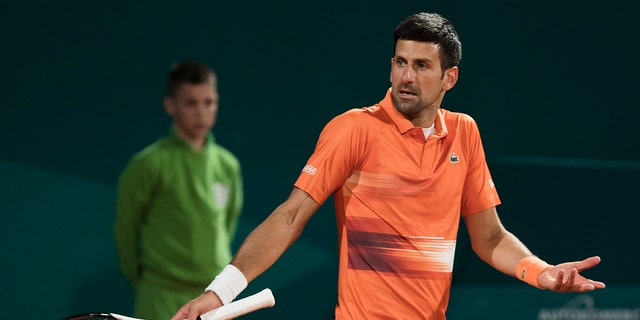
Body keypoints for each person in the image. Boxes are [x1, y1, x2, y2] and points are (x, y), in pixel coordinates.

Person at [172, 13, 605, 320]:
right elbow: (289, 217)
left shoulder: (464, 133)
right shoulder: (354, 129)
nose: (406, 77)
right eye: (400, 62)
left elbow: (489, 237)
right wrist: (221, 291)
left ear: (449, 78)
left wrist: (542, 273)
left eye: (421, 66)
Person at [114, 60, 244, 319]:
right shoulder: (149, 163)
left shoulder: (228, 165)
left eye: (208, 102)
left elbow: (227, 223)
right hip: (160, 295)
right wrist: (146, 281)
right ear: (170, 105)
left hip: (213, 296)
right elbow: (125, 229)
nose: (201, 112)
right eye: (190, 103)